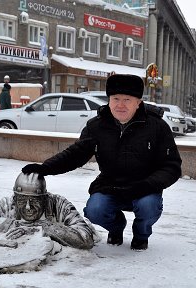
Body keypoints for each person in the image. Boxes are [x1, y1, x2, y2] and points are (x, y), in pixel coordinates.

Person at [21, 74, 182, 251]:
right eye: (115, 99)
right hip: (110, 186)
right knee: (94, 210)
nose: (120, 105)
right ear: (109, 100)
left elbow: (171, 166)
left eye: (127, 99)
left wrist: (148, 185)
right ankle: (116, 227)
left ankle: (141, 234)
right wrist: (46, 168)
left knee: (148, 206)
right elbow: (75, 154)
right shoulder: (97, 126)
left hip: (144, 188)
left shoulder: (157, 126)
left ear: (138, 102)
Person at [0, 172, 97, 250]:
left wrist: (45, 227)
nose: (28, 207)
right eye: (22, 200)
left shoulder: (59, 204)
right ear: (15, 197)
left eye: (34, 201)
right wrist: (13, 224)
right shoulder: (9, 203)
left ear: (44, 198)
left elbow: (85, 238)